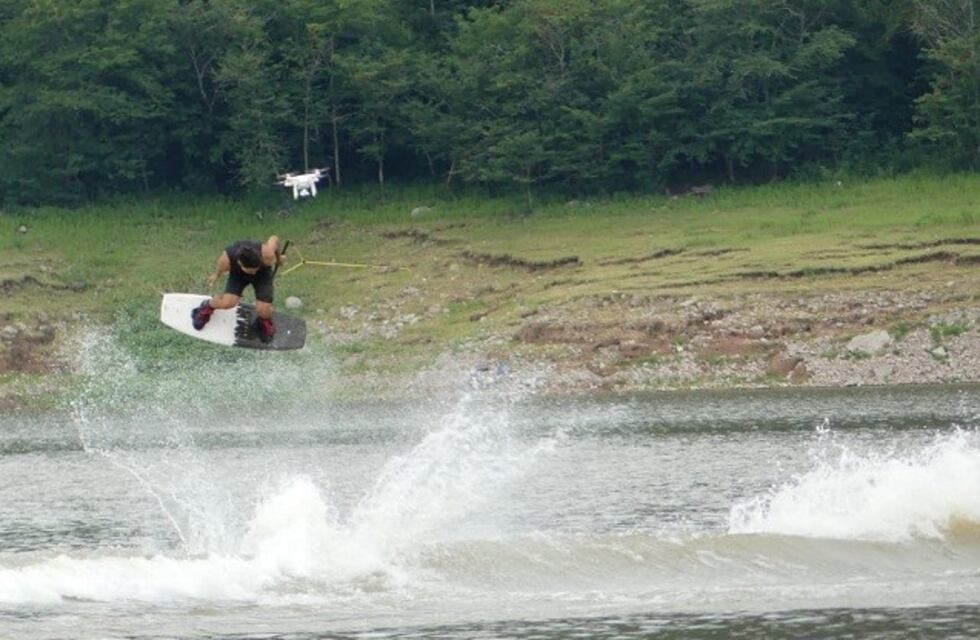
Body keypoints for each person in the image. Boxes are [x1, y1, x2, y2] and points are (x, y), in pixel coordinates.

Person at [191, 235, 285, 342]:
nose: (253, 272)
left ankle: (263, 322)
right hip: (238, 274)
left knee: (263, 310)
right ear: (240, 263)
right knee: (227, 303)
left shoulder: (267, 254)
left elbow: (275, 239)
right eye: (250, 271)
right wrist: (215, 275)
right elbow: (220, 268)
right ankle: (206, 306)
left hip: (262, 274)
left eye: (255, 269)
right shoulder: (227, 259)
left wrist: (278, 258)